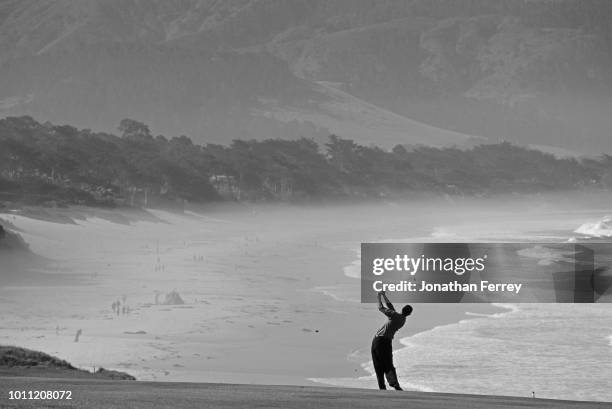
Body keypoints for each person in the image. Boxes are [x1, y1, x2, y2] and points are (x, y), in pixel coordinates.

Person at [371, 291, 412, 390]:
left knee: (378, 365)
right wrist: (384, 296)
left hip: (379, 341)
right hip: (385, 342)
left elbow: (381, 307)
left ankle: (383, 387)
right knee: (388, 363)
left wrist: (378, 296)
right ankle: (394, 383)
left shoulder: (395, 316)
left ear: (402, 309)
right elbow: (391, 307)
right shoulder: (402, 319)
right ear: (409, 314)